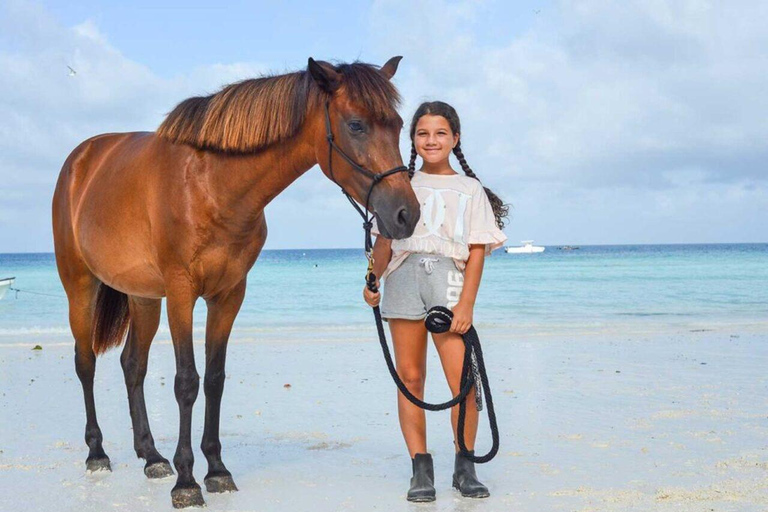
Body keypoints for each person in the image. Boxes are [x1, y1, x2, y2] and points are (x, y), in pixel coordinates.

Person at [363, 101, 508, 502]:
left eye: (440, 133)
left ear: (455, 139)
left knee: (463, 381)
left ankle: (465, 466)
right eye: (423, 133)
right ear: (412, 140)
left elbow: (477, 250)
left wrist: (467, 305)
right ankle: (420, 470)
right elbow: (384, 242)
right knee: (410, 378)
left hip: (447, 282)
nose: (432, 140)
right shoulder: (399, 184)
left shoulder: (469, 189)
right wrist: (372, 279)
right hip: (403, 281)